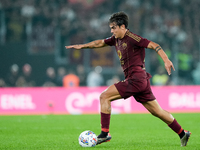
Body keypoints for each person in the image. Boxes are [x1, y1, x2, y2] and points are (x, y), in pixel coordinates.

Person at [65, 12, 191, 147]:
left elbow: (154, 45)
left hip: (136, 79)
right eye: (111, 28)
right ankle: (182, 133)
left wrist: (166, 60)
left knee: (104, 97)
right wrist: (82, 46)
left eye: (113, 28)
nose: (111, 31)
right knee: (157, 111)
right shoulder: (116, 39)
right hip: (141, 80)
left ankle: (105, 133)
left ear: (123, 26)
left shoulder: (133, 38)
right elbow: (99, 43)